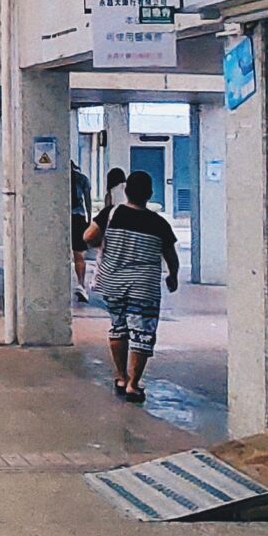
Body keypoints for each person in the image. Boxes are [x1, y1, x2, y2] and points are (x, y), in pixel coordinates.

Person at [84, 170, 180, 402]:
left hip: (114, 282)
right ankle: (134, 384)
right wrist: (172, 276)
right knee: (142, 334)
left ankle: (120, 376)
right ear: (149, 194)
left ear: (126, 192)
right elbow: (171, 255)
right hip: (143, 287)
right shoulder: (159, 223)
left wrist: (104, 242)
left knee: (118, 328)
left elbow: (88, 237)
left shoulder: (111, 214)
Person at [69, 164, 95, 301]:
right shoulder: (83, 179)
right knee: (79, 255)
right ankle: (81, 284)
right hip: (78, 218)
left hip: (63, 218)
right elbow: (88, 201)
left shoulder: (62, 177)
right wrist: (89, 219)